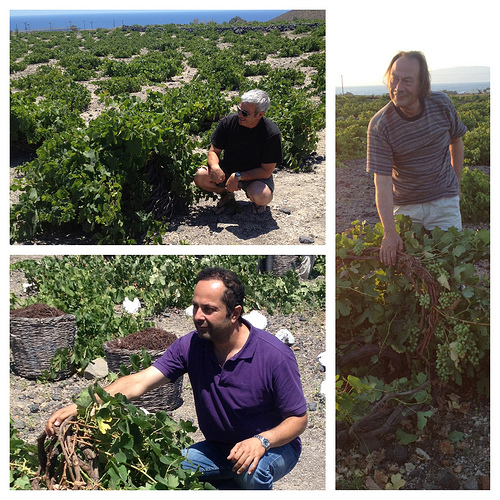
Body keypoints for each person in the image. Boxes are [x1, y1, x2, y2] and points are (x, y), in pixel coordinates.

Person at [45, 267, 308, 490]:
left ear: (235, 313)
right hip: (219, 449)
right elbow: (139, 382)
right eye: (195, 307)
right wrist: (85, 405)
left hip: (273, 447)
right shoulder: (191, 346)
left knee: (251, 470)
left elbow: (298, 419)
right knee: (171, 467)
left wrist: (261, 441)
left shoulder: (273, 355)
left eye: (208, 309)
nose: (197, 317)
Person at [366, 51, 468, 266]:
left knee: (452, 267)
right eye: (394, 78)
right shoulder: (380, 125)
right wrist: (389, 232)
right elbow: (382, 182)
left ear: (422, 85)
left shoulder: (442, 104)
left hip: (444, 201)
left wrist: (456, 182)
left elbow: (456, 141)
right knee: (412, 272)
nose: (398, 87)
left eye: (407, 81)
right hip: (406, 207)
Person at [194, 89, 282, 214]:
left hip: (255, 176)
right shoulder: (228, 122)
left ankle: (257, 203)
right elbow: (213, 151)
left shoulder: (271, 134)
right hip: (228, 169)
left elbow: (266, 171)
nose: (240, 115)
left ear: (260, 115)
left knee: (262, 196)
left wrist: (239, 176)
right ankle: (226, 195)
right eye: (239, 110)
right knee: (200, 176)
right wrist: (214, 166)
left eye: (245, 113)